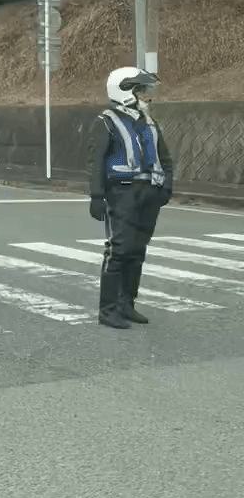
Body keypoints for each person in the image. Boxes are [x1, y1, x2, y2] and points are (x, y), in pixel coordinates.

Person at [87, 67, 173, 329]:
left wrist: (165, 188)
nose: (146, 95)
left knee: (137, 251)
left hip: (149, 194)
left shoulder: (149, 122)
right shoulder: (106, 121)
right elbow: (96, 161)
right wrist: (97, 195)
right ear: (125, 91)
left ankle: (127, 304)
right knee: (119, 250)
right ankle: (108, 309)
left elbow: (165, 158)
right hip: (120, 192)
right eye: (140, 90)